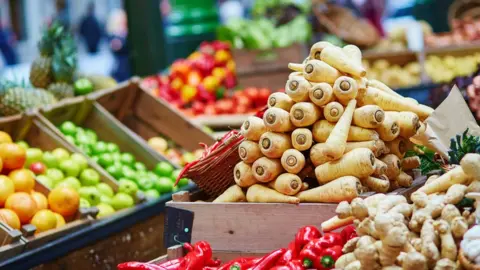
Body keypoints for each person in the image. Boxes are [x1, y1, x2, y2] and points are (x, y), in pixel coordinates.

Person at [107, 9, 130, 82]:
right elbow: (115, 46)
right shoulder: (114, 36)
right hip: (121, 70)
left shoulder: (124, 34)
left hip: (126, 68)